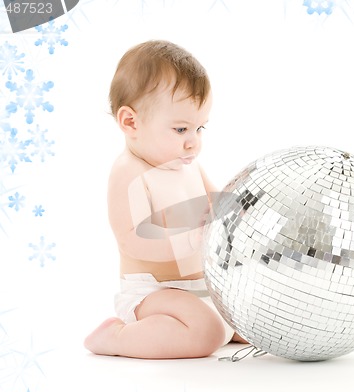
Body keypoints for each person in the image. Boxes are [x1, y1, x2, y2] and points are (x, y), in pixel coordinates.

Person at [84, 40, 244, 359]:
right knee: (206, 332)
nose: (193, 143)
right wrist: (190, 242)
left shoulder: (189, 165)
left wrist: (243, 204)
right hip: (154, 291)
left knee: (256, 317)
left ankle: (221, 325)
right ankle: (116, 337)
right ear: (131, 122)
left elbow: (220, 204)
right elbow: (132, 240)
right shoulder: (130, 172)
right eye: (181, 128)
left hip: (204, 285)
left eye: (200, 128)